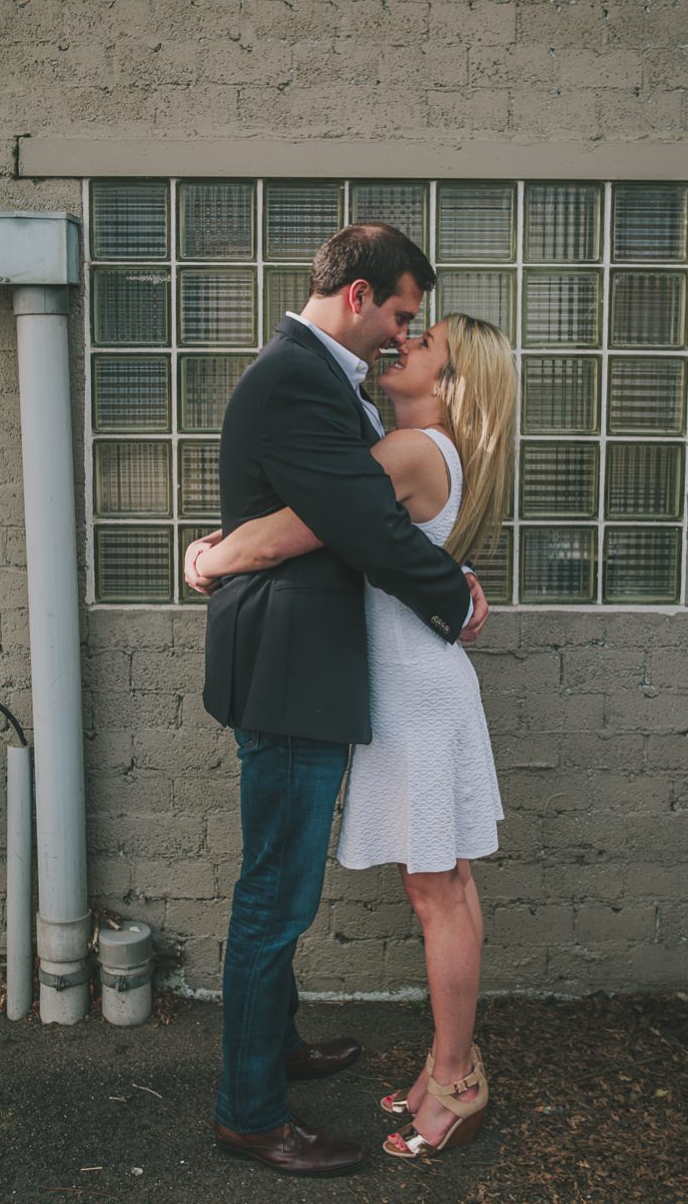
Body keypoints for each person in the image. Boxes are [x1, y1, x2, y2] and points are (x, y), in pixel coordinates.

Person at [191, 310, 514, 1162]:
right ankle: (448, 1068)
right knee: (446, 884)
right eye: (408, 328)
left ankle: (454, 1084)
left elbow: (304, 524)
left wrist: (211, 557)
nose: (402, 341)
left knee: (435, 892)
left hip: (411, 693)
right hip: (417, 686)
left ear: (451, 384)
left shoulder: (410, 452)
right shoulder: (411, 444)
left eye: (424, 342)